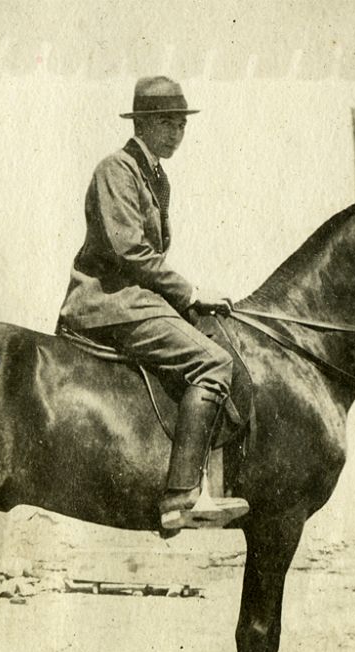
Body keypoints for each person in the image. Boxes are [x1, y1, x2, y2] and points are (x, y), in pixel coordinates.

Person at [56, 76, 249, 530]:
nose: (178, 132)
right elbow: (129, 252)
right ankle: (182, 497)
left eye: (182, 123)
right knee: (214, 363)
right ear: (143, 123)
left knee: (216, 337)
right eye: (168, 122)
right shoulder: (116, 169)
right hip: (108, 300)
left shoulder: (157, 178)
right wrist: (190, 292)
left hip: (136, 297)